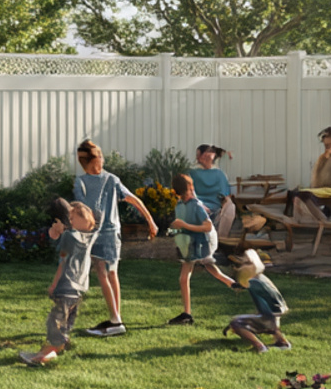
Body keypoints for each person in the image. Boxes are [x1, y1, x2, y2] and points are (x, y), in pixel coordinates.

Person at [74, 139, 157, 337]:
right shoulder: (97, 181)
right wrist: (151, 221)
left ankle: (116, 320)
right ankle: (115, 318)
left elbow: (132, 199)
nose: (103, 159)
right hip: (105, 234)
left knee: (104, 274)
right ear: (92, 161)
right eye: (100, 156)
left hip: (105, 234)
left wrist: (150, 221)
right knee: (111, 274)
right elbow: (81, 210)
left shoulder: (104, 180)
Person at [19, 197, 99, 367]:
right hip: (80, 289)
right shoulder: (90, 236)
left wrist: (54, 285)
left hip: (66, 286)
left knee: (54, 322)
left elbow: (62, 263)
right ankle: (61, 344)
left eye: (71, 217)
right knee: (67, 319)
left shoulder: (68, 237)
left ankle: (46, 355)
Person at [167, 173, 237, 326]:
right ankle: (232, 283)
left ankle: (187, 314)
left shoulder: (196, 205)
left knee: (183, 278)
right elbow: (181, 225)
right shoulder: (180, 205)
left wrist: (184, 226)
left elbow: (208, 226)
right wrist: (173, 230)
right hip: (191, 243)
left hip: (201, 242)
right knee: (209, 266)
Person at [222, 249, 291, 353]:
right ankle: (282, 342)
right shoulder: (261, 278)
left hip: (270, 316)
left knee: (236, 322)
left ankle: (260, 347)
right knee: (270, 325)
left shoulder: (253, 282)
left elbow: (241, 285)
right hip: (275, 315)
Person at [189, 144, 236, 235]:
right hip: (197, 208)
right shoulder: (192, 173)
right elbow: (189, 193)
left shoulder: (220, 174)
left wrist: (227, 203)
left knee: (231, 207)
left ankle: (221, 237)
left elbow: (225, 196)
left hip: (216, 211)